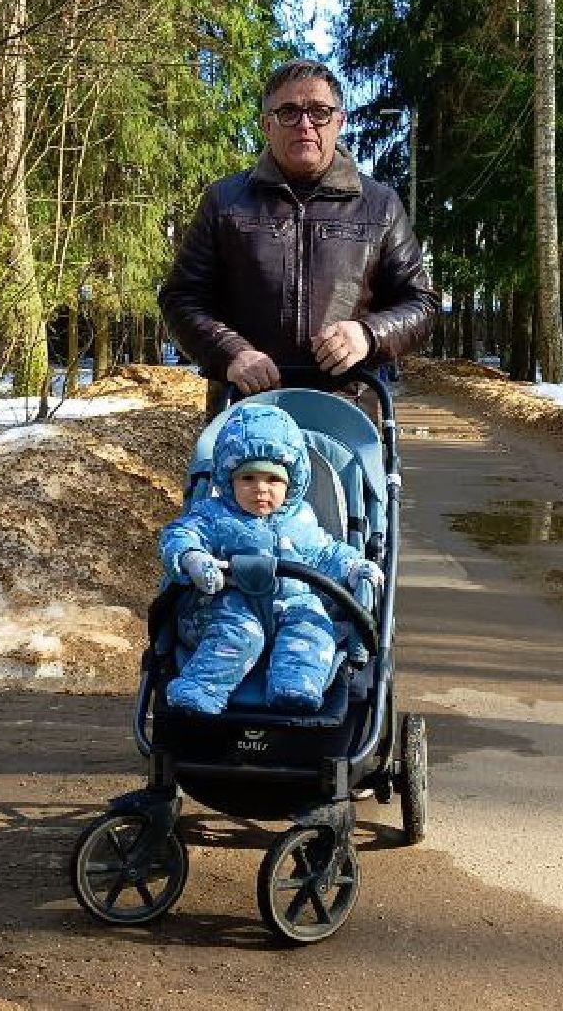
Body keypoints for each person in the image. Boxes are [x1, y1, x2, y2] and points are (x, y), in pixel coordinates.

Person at [159, 59, 438, 411]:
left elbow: (421, 304)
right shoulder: (224, 201)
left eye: (319, 111)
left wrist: (368, 334)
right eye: (288, 111)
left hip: (348, 414)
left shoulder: (380, 205)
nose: (304, 124)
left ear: (339, 121)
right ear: (266, 125)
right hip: (247, 415)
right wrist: (232, 353)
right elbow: (181, 298)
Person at [160, 404, 382, 715]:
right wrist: (193, 558)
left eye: (273, 480)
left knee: (313, 631)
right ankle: (200, 690)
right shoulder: (214, 515)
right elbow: (179, 535)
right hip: (231, 602)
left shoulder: (302, 518)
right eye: (248, 478)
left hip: (295, 601)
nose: (260, 488)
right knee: (238, 636)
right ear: (228, 479)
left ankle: (294, 688)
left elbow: (326, 552)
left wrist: (356, 567)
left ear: (291, 482)